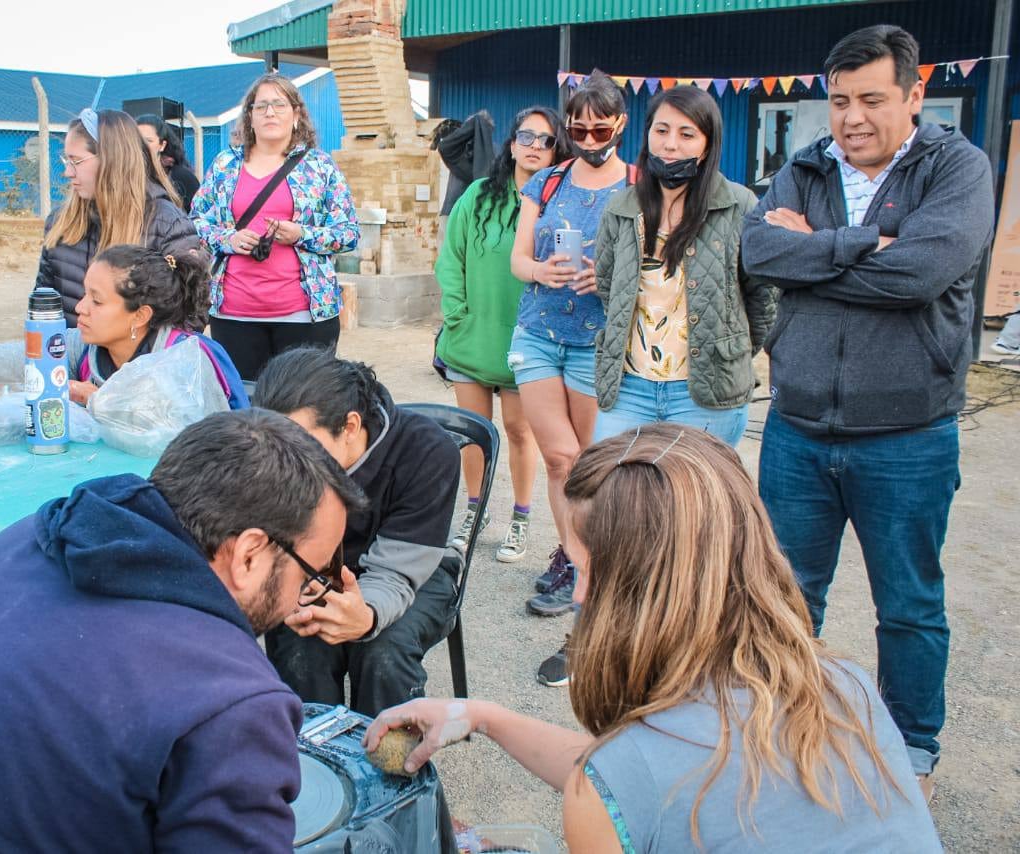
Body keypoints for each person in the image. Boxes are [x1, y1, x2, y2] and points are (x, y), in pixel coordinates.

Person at [0, 410, 366, 852]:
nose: (308, 594)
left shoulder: (39, 536)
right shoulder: (231, 700)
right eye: (311, 571)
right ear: (251, 554)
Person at [365, 425, 941, 853]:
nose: (580, 596)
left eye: (586, 571)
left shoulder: (611, 791)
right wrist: (482, 716)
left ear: (641, 588)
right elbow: (638, 781)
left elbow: (622, 786)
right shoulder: (847, 687)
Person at [741, 24, 995, 800]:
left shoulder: (958, 168)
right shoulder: (805, 166)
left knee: (910, 602)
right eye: (840, 100)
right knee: (785, 595)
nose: (850, 118)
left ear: (915, 95)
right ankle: (783, 722)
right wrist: (865, 244)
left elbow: (919, 274)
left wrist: (816, 249)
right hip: (798, 428)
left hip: (909, 434)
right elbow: (757, 253)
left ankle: (910, 743)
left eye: (872, 100)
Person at [254, 347, 460, 718]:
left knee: (384, 652)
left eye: (302, 446)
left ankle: (392, 771)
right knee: (299, 644)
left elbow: (399, 571)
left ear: (350, 426)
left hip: (417, 571)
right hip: (310, 570)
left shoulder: (428, 450)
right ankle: (313, 762)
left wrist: (365, 617)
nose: (285, 461)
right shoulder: (272, 454)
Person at [508, 72, 630, 687]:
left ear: (620, 124)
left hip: (598, 340)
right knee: (560, 458)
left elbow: (654, 262)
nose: (587, 135)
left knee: (594, 465)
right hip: (537, 331)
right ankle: (580, 568)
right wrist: (544, 271)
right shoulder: (547, 179)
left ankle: (601, 574)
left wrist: (604, 281)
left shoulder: (639, 185)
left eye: (598, 126)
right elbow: (518, 259)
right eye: (576, 126)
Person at [0, 245, 248, 410]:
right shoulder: (84, 349)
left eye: (97, 299)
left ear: (140, 315)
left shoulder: (189, 359)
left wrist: (99, 401)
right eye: (85, 294)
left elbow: (205, 441)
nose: (80, 307)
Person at [592, 85, 773, 446]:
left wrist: (728, 352)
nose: (670, 144)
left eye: (686, 133)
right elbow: (608, 287)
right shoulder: (621, 208)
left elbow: (763, 298)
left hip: (706, 393)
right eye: (661, 131)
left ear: (708, 144)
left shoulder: (738, 205)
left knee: (695, 500)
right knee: (617, 494)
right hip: (630, 387)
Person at [436, 106, 571, 563]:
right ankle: (474, 512)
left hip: (527, 338)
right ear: (511, 143)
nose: (534, 146)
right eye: (526, 136)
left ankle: (520, 517)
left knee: (518, 430)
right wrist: (456, 313)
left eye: (545, 140)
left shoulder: (559, 203)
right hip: (472, 335)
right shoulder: (477, 195)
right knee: (474, 432)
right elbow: (451, 257)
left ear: (557, 150)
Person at [192, 73, 359, 381]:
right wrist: (229, 238)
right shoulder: (225, 164)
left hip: (305, 314)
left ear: (296, 115)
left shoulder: (319, 166)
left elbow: (348, 232)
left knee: (302, 409)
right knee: (247, 412)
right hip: (234, 314)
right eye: (261, 106)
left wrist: (302, 234)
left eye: (279, 104)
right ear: (249, 118)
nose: (270, 112)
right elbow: (196, 222)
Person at [38, 108, 201, 327]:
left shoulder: (167, 225)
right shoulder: (60, 221)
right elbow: (42, 309)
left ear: (112, 160)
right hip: (67, 358)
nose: (67, 172)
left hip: (138, 361)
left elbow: (189, 318)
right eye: (66, 160)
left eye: (75, 161)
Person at [136, 115, 201, 212]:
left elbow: (197, 216)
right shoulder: (126, 176)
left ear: (162, 145)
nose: (142, 145)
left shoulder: (180, 176)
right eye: (137, 140)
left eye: (148, 141)